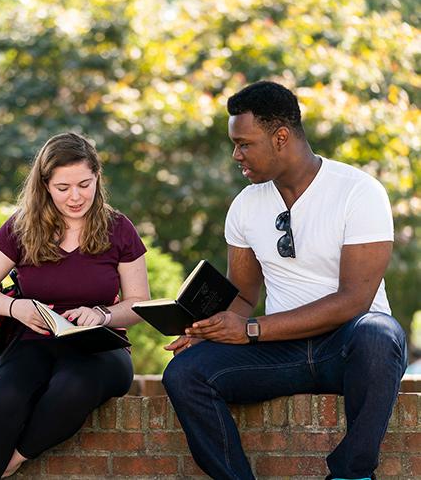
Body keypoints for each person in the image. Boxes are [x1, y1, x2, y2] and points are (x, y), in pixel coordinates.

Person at [162, 81, 408, 480]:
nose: (235, 155)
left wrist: (252, 329)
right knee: (184, 372)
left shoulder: (359, 192)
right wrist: (212, 329)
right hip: (279, 353)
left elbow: (354, 301)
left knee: (379, 333)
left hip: (349, 350)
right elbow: (242, 296)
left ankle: (351, 473)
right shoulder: (245, 205)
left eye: (244, 144)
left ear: (280, 138)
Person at [0, 132, 150, 480]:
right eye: (63, 187)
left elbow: (139, 303)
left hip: (99, 347)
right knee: (2, 397)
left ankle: (5, 464)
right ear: (45, 184)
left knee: (73, 387)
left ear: (97, 176)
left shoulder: (119, 228)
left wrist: (102, 314)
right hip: (34, 340)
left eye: (84, 184)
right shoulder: (22, 226)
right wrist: (16, 308)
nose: (76, 196)